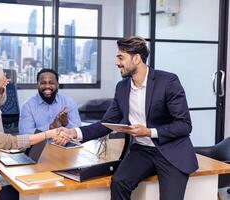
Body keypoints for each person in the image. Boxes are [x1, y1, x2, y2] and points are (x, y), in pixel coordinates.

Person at [58, 36, 198, 200]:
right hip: (142, 151)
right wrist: (73, 133)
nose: (117, 63)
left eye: (121, 57)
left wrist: (149, 132)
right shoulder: (122, 87)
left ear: (137, 58)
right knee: (119, 182)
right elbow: (106, 124)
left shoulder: (168, 81)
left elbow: (184, 125)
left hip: (171, 151)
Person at [18, 68, 82, 134]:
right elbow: (24, 134)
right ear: (37, 85)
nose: (47, 86)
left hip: (65, 144)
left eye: (51, 83)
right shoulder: (27, 106)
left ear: (57, 85)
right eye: (43, 83)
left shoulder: (69, 102)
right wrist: (50, 127)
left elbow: (79, 131)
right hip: (40, 144)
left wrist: (66, 123)